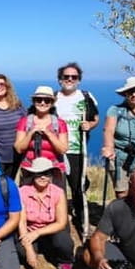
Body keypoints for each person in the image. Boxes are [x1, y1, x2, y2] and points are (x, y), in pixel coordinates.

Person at [54, 62, 99, 233]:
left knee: (78, 187)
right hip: (56, 150)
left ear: (79, 80)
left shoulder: (86, 97)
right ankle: (59, 220)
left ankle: (80, 217)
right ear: (60, 79)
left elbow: (95, 118)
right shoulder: (53, 98)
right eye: (66, 77)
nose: (70, 79)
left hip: (77, 150)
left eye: (74, 77)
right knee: (57, 187)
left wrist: (90, 125)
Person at [16, 158, 74, 269]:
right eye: (39, 173)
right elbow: (21, 221)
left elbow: (61, 222)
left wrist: (37, 232)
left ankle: (65, 263)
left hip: (51, 231)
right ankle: (37, 251)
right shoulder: (22, 192)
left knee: (64, 241)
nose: (43, 177)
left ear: (51, 176)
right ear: (33, 175)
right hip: (29, 232)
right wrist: (28, 247)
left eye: (46, 173)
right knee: (21, 252)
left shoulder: (58, 193)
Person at [14, 86, 68, 177]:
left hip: (54, 169)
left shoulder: (60, 124)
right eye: (39, 100)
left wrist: (49, 133)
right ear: (34, 102)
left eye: (47, 100)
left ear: (52, 103)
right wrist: (31, 133)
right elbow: (19, 149)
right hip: (29, 168)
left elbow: (63, 149)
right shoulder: (25, 122)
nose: (42, 103)